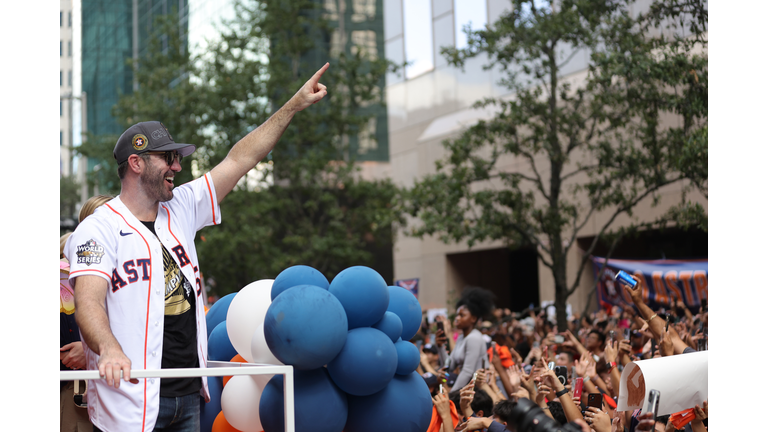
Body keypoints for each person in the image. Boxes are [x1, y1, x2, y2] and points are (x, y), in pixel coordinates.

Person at [63, 64, 329, 432]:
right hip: (129, 401)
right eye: (167, 158)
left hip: (187, 394)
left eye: (177, 157)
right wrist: (108, 348)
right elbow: (89, 302)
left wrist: (292, 106)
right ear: (136, 163)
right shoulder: (98, 228)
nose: (177, 166)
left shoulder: (182, 206)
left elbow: (240, 159)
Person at [61, 194, 113, 432]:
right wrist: (88, 348)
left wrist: (91, 350)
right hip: (77, 390)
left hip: (127, 394)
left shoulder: (135, 271)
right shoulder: (63, 274)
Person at [437, 287, 495, 392]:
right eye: (457, 315)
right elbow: (448, 367)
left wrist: (452, 395)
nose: (457, 318)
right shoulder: (461, 338)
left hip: (477, 392)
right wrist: (440, 346)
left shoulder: (474, 338)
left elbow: (468, 372)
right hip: (465, 390)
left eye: (462, 315)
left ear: (473, 318)